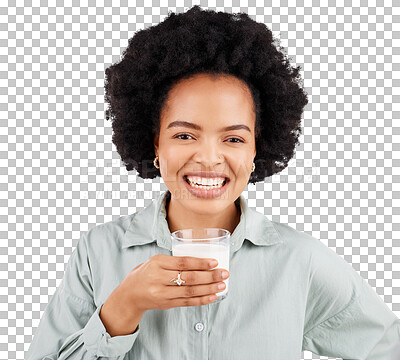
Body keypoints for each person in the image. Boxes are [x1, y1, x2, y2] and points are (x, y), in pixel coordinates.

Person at [26, 5, 400, 360]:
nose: (208, 158)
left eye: (234, 138)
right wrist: (123, 307)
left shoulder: (301, 261)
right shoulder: (99, 252)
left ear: (258, 148)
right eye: (185, 136)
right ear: (154, 142)